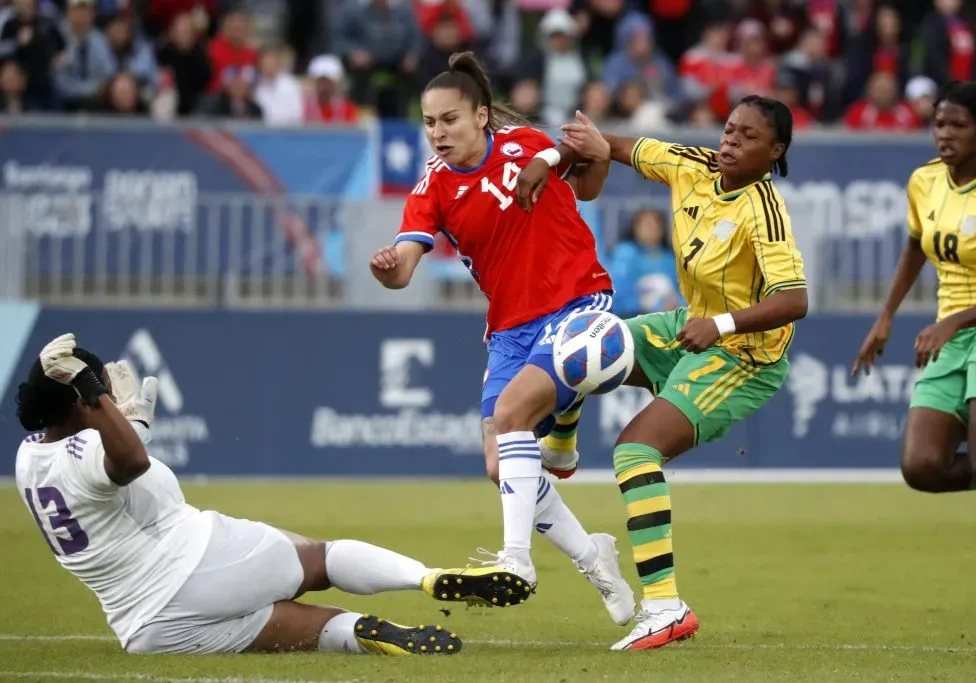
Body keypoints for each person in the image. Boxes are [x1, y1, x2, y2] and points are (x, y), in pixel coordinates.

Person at [15, 333, 532, 656]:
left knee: (300, 628)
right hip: (194, 563)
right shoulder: (91, 449)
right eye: (99, 391)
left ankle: (376, 632)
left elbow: (106, 477)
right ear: (80, 401)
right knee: (322, 560)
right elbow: (128, 463)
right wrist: (94, 392)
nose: (109, 394)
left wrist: (123, 422)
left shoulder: (27, 459)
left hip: (146, 631)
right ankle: (424, 578)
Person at [517, 98, 808, 650]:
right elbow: (614, 147)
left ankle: (666, 606)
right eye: (728, 129)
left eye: (747, 138)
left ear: (775, 153)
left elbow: (794, 300)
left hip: (742, 356)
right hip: (690, 326)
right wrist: (555, 155)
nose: (730, 142)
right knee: (585, 338)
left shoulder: (764, 211)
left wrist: (720, 326)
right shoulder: (692, 164)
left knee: (634, 452)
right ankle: (561, 446)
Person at [368, 51, 634, 626]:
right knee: (499, 463)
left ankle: (517, 559)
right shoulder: (431, 190)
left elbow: (588, 183)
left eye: (449, 119)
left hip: (576, 301)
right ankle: (595, 557)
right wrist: (388, 267)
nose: (438, 133)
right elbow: (404, 271)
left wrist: (588, 153)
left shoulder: (525, 145)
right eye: (429, 122)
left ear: (482, 116)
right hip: (511, 329)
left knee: (512, 418)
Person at [853, 81, 976, 559]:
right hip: (952, 333)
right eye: (938, 124)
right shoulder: (925, 180)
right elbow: (914, 244)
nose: (944, 135)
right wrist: (884, 318)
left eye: (958, 126)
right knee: (922, 468)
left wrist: (951, 324)